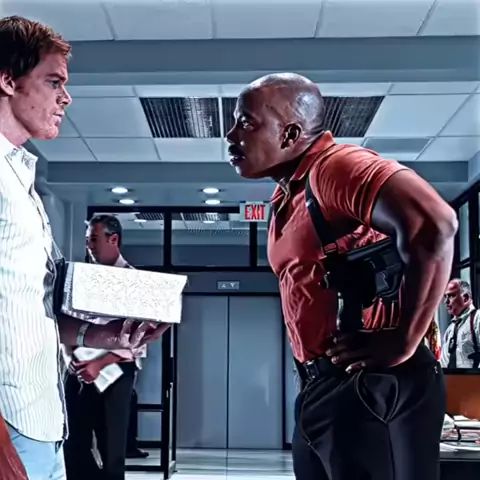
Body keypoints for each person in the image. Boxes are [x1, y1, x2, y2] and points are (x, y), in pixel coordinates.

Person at [226, 73, 457, 480]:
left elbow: (435, 225)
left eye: (246, 123)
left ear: (290, 133)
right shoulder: (287, 194)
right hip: (322, 383)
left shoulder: (336, 167)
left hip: (372, 382)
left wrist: (403, 340)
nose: (231, 135)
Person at [0, 16, 165, 479]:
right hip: (9, 423)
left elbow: (34, 305)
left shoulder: (20, 180)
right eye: (54, 82)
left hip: (42, 417)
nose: (66, 98)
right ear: (8, 80)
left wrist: (105, 336)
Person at [64, 215, 153, 480]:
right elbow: (68, 321)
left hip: (115, 370)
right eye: (87, 240)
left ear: (113, 239)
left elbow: (138, 340)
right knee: (73, 440)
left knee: (112, 447)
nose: (89, 246)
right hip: (78, 366)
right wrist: (69, 355)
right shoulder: (81, 279)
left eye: (94, 239)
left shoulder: (134, 281)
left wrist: (99, 364)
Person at [441, 279, 480, 369]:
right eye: (445, 296)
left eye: (451, 296)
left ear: (465, 297)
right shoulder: (450, 330)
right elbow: (444, 362)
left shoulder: (477, 319)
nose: (446, 301)